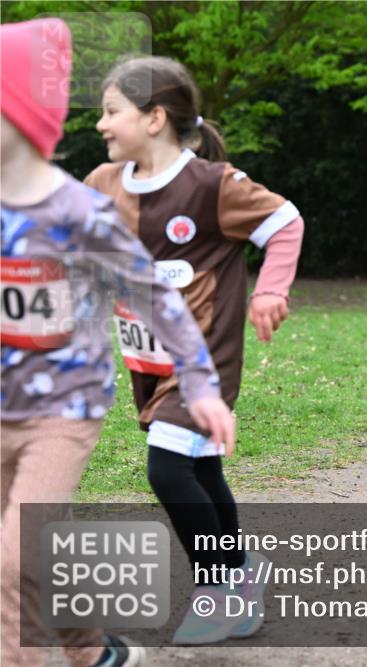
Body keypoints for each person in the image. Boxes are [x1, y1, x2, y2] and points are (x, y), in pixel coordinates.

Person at [1, 19, 234, 667]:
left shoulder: (79, 211)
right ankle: (94, 648)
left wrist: (199, 381)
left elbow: (153, 295)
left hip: (60, 410)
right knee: (26, 551)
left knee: (14, 556)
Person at [84, 56, 304, 644]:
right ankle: (244, 572)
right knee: (201, 466)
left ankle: (219, 586)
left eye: (111, 112)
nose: (100, 125)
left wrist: (270, 290)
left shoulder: (212, 186)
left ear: (154, 118)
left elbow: (285, 222)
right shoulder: (102, 185)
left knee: (167, 466)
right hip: (145, 359)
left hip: (203, 362)